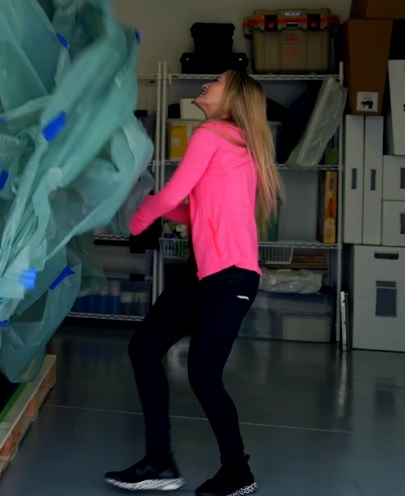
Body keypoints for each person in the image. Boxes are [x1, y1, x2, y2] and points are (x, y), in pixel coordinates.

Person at [104, 69, 282, 495]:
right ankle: (159, 463)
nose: (206, 84)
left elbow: (172, 196)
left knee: (204, 376)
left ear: (232, 97)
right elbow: (192, 210)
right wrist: (148, 204)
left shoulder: (211, 134)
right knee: (145, 348)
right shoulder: (236, 143)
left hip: (229, 277)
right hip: (202, 272)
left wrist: (139, 220)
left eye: (216, 81)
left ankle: (238, 472)